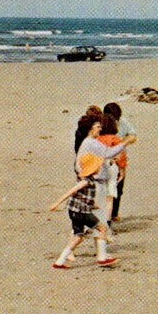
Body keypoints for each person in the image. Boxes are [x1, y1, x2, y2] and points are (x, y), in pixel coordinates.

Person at [49, 114, 136, 269]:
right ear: (90, 128)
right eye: (97, 126)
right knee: (99, 223)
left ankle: (71, 256)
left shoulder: (90, 143)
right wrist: (126, 142)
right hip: (96, 187)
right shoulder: (90, 143)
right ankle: (101, 256)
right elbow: (108, 153)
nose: (100, 129)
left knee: (84, 227)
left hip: (87, 195)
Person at [102, 102, 136, 222]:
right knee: (105, 189)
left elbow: (133, 136)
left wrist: (121, 141)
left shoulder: (122, 122)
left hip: (119, 157)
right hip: (105, 161)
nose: (115, 120)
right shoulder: (100, 124)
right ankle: (105, 218)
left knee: (118, 188)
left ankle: (113, 213)